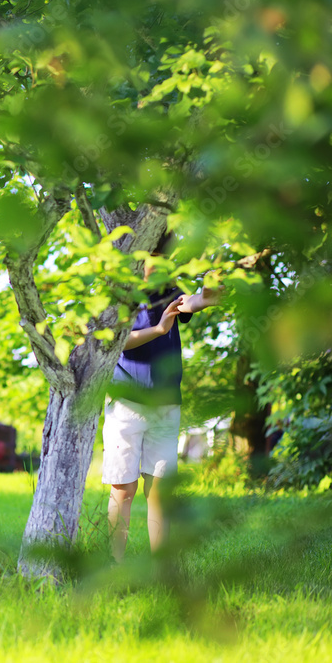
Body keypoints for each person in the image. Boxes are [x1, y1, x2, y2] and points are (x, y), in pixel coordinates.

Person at [103, 234, 222, 562]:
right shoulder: (121, 294)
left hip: (166, 404)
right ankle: (115, 566)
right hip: (126, 403)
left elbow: (193, 302)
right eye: (155, 258)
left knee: (158, 490)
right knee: (122, 489)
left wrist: (209, 294)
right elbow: (116, 341)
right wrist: (157, 330)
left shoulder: (171, 291)